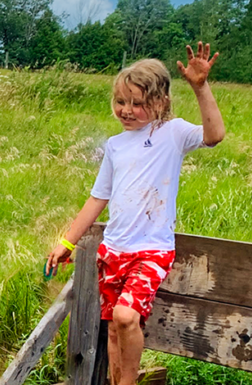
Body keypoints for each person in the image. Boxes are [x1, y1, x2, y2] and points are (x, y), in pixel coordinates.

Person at [45, 43, 225, 385]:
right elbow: (98, 198)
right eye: (121, 102)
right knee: (114, 328)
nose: (126, 110)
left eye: (137, 103)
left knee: (126, 317)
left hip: (151, 250)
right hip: (113, 251)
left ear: (161, 102)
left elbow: (214, 135)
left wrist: (200, 87)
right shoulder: (115, 146)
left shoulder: (171, 134)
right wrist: (65, 243)